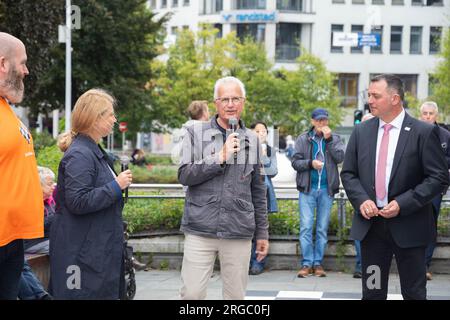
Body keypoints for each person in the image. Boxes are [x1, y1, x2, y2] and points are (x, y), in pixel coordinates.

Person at [341, 74, 449, 300]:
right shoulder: (362, 131)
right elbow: (349, 174)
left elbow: (438, 178)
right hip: (372, 230)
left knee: (414, 293)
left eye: (375, 96)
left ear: (395, 99)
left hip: (410, 227)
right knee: (372, 292)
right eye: (369, 95)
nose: (370, 100)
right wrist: (362, 200)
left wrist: (402, 203)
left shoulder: (424, 132)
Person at [178, 76, 269, 300]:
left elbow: (258, 191)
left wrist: (263, 233)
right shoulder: (195, 134)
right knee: (192, 294)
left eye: (235, 98)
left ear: (243, 102)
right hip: (201, 228)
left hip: (238, 229)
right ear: (216, 103)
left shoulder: (253, 140)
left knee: (235, 297)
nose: (230, 104)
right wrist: (220, 157)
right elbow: (184, 175)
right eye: (225, 99)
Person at [49, 89, 133, 299]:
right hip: (81, 256)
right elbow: (78, 201)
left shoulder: (90, 151)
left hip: (93, 253)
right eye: (110, 115)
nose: (115, 119)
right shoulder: (80, 154)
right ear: (95, 118)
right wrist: (116, 186)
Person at [0, 32, 44, 300]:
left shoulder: (6, 107)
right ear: (3, 64)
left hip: (11, 238)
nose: (26, 71)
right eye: (23, 63)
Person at [291, 108, 345, 278]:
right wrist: (310, 163)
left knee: (322, 228)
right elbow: (295, 162)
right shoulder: (303, 138)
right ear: (313, 121)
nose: (323, 123)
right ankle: (307, 263)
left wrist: (329, 141)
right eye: (319, 120)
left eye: (325, 120)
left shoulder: (335, 138)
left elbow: (340, 158)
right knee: (306, 227)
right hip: (308, 190)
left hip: (326, 190)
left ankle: (318, 263)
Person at [419, 101, 450, 281]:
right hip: (414, 188)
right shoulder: (413, 132)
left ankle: (425, 265)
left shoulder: (445, 135)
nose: (428, 116)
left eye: (431, 113)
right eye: (425, 113)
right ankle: (412, 265)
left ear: (436, 115)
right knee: (413, 225)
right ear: (420, 114)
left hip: (435, 189)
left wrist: (437, 164)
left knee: (430, 226)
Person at [18, 166, 56, 300]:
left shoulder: (50, 201)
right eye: (50, 183)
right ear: (38, 185)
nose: (53, 187)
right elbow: (36, 227)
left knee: (20, 266)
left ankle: (42, 295)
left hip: (39, 240)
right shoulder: (31, 202)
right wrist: (57, 217)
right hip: (31, 241)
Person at [249, 121, 278, 275]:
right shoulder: (245, 148)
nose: (261, 134)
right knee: (247, 229)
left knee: (261, 229)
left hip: (264, 194)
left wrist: (263, 155)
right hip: (247, 194)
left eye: (264, 131)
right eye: (258, 131)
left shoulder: (270, 150)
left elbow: (273, 171)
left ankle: (258, 263)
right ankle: (246, 262)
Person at [352, 112, 375, 279]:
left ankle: (372, 268)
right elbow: (349, 173)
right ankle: (361, 265)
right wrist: (361, 198)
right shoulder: (357, 143)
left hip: (383, 204)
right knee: (361, 234)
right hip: (362, 199)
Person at [171, 100, 210, 165]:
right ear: (204, 113)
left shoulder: (184, 130)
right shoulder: (204, 131)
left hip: (185, 170)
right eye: (208, 110)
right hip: (201, 171)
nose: (209, 113)